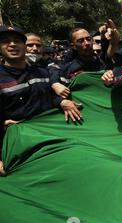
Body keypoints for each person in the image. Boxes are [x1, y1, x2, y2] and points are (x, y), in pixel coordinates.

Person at [0, 26, 82, 175]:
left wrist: (61, 102)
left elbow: (48, 97)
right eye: (5, 41)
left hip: (51, 140)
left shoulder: (43, 73)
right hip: (18, 150)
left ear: (24, 47)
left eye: (17, 41)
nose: (12, 44)